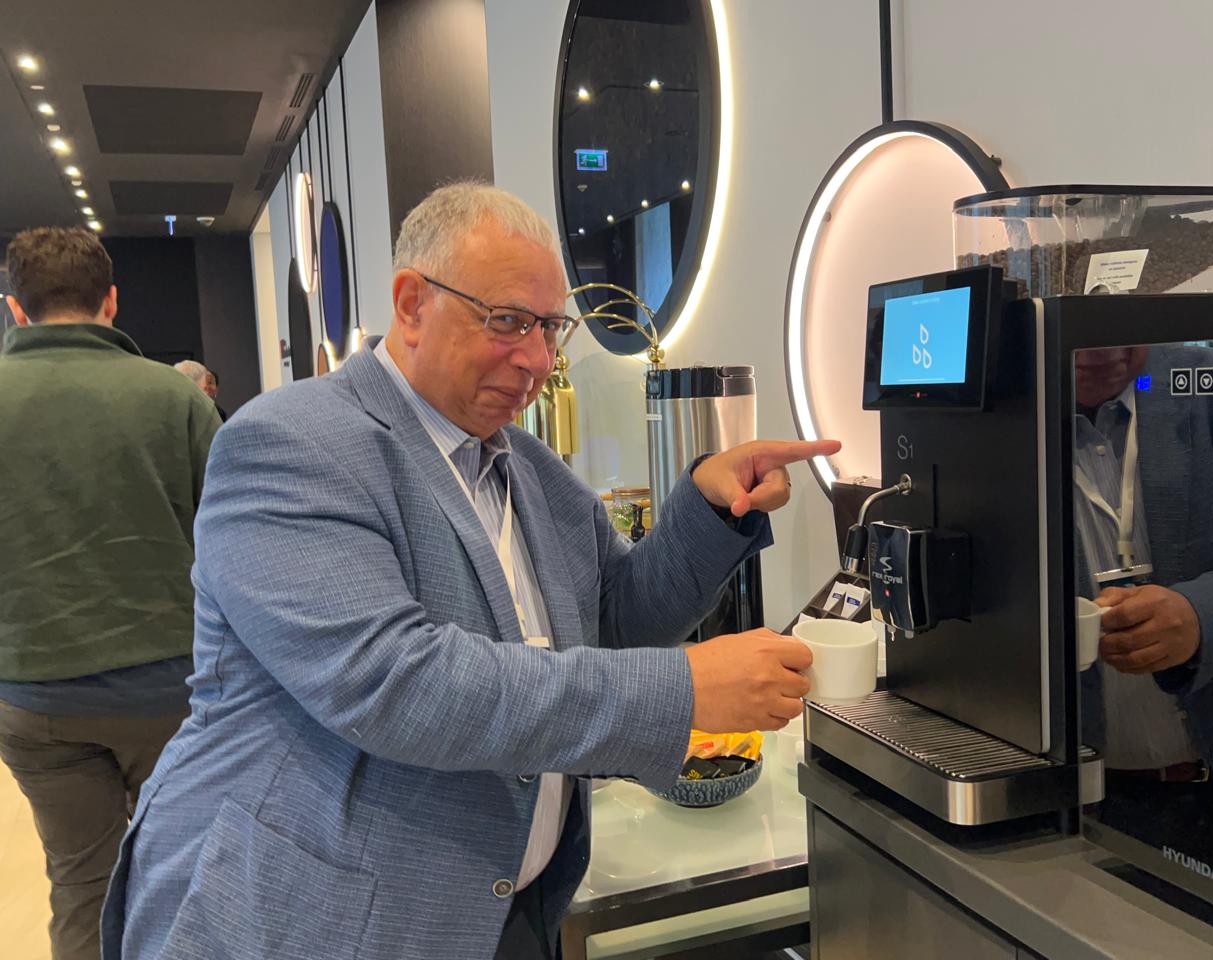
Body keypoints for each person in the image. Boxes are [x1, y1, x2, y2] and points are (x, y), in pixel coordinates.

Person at [104, 183, 835, 960]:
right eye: (508, 321)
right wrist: (684, 689)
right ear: (411, 304)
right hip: (312, 919)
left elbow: (617, 618)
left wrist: (711, 511)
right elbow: (397, 683)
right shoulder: (292, 445)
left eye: (549, 328)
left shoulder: (530, 469)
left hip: (504, 911)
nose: (539, 360)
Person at [0, 227, 222, 960]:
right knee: (185, 872)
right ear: (112, 301)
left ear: (15, 308)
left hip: (32, 694)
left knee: (80, 885)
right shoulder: (175, 397)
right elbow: (232, 541)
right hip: (170, 692)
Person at [1073, 344, 1213, 897]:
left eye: (1120, 316)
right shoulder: (996, 416)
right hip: (1074, 805)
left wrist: (1200, 616)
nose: (1105, 349)